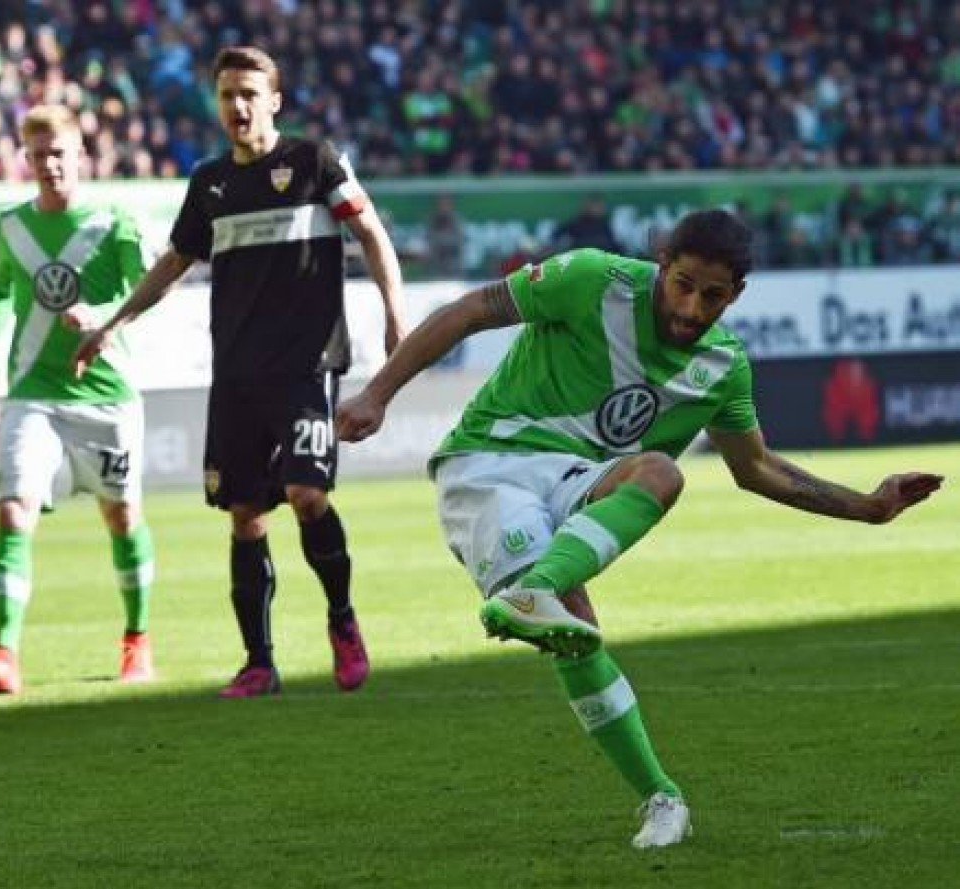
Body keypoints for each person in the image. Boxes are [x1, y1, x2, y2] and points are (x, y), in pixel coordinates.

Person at [335, 208, 943, 848]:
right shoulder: (591, 280)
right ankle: (645, 767)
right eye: (683, 284)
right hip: (491, 464)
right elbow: (473, 309)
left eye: (713, 296)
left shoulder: (722, 366)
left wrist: (869, 507)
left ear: (736, 295)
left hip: (580, 478)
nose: (692, 307)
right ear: (662, 265)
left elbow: (757, 467)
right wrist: (378, 393)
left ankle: (661, 797)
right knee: (576, 634)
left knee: (660, 474)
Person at [74, 46, 406, 698]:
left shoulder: (313, 161)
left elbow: (371, 233)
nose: (238, 106)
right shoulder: (210, 183)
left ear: (274, 100)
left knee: (307, 495)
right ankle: (259, 662)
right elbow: (174, 263)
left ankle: (342, 619)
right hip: (236, 374)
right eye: (228, 95)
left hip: (306, 365)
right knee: (246, 512)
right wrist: (112, 324)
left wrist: (396, 316)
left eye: (250, 93)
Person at [0, 104, 158, 695]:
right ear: (27, 159)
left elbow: (145, 289)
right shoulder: (12, 225)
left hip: (106, 395)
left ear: (80, 156)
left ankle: (137, 640)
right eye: (39, 155)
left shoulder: (116, 221)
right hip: (33, 395)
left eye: (59, 154)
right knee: (12, 509)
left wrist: (101, 317)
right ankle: (4, 656)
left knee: (122, 516)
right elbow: (1, 296)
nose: (49, 165)